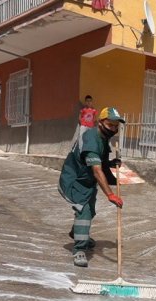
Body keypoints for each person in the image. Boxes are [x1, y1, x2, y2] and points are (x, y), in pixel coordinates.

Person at [59, 107, 125, 267]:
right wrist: (110, 195)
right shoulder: (91, 139)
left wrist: (110, 163)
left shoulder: (102, 138)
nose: (114, 129)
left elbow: (100, 162)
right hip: (75, 180)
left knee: (91, 210)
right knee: (84, 211)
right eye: (111, 125)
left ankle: (77, 233)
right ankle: (79, 250)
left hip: (87, 181)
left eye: (116, 126)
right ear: (101, 123)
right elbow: (96, 170)